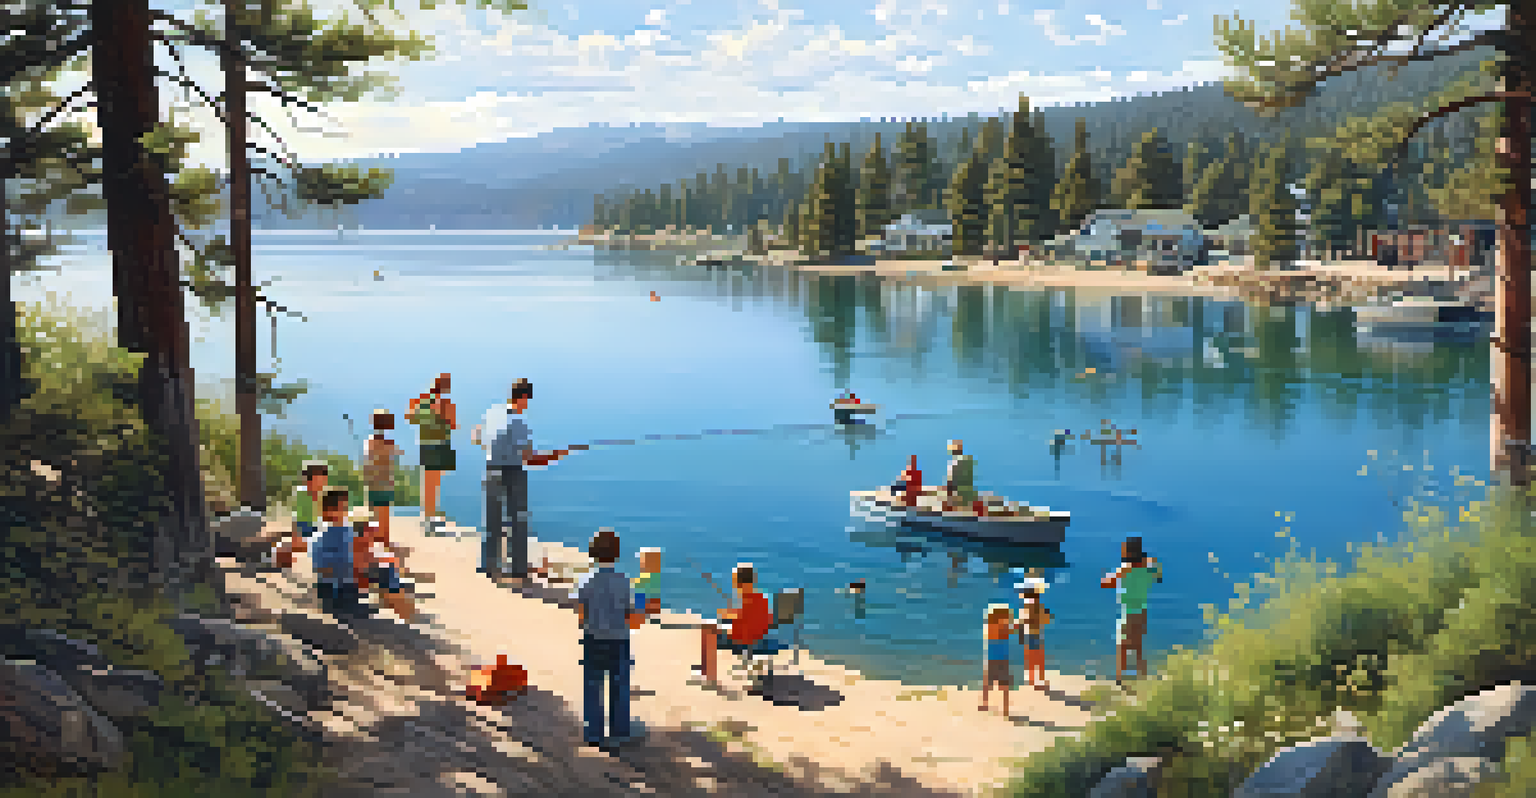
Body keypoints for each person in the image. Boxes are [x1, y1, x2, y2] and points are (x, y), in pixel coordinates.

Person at [471, 378, 574, 579]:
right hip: (512, 472)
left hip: (491, 469)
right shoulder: (520, 422)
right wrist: (555, 456)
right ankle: (518, 568)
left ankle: (488, 565)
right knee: (517, 519)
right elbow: (529, 459)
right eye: (527, 400)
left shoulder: (492, 413)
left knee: (492, 519)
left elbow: (476, 437)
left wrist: (494, 448)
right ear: (524, 397)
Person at [573, 527, 646, 748]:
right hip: (619, 640)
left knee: (592, 687)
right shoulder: (624, 581)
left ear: (593, 552)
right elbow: (633, 616)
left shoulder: (585, 580)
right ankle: (619, 731)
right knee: (619, 686)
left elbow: (580, 615)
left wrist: (588, 624)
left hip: (593, 638)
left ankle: (593, 733)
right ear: (617, 553)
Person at [696, 563, 774, 688]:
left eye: (734, 581)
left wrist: (725, 619)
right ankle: (705, 670)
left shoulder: (746, 600)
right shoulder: (761, 597)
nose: (734, 585)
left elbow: (739, 627)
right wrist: (732, 613)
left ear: (739, 583)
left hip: (743, 640)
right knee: (720, 623)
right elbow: (750, 617)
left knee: (708, 628)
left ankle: (708, 675)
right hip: (759, 636)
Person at [1101, 536, 1162, 684]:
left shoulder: (1126, 569)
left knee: (1122, 646)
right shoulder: (1147, 570)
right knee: (1138, 647)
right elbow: (1158, 577)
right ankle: (1142, 678)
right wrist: (1153, 562)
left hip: (1128, 612)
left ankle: (1120, 679)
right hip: (1142, 612)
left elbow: (1105, 583)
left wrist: (1121, 571)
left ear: (1128, 552)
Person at [408, 373, 458, 533]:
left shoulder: (422, 401)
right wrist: (439, 414)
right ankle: (430, 518)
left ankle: (429, 516)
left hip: (429, 444)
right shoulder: (442, 403)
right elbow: (453, 424)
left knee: (430, 483)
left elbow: (411, 417)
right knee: (433, 483)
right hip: (437, 444)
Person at [350, 508, 415, 623]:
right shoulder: (359, 543)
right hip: (361, 580)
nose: (372, 533)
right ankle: (404, 611)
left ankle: (400, 604)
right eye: (369, 530)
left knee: (392, 572)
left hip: (365, 576)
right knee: (391, 576)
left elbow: (370, 559)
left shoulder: (359, 542)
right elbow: (363, 564)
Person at [312, 487, 363, 618]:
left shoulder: (349, 530)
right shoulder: (322, 533)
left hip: (347, 584)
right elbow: (320, 565)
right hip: (331, 588)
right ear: (328, 511)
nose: (344, 513)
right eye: (341, 508)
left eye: (346, 508)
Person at [364, 409, 403, 546]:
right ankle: (384, 540)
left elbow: (367, 462)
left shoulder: (369, 441)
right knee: (384, 512)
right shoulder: (389, 443)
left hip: (372, 482)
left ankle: (375, 540)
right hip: (385, 482)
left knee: (374, 512)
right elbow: (396, 455)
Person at [1017, 579, 1053, 691]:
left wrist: (1021, 634)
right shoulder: (1034, 606)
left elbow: (1023, 621)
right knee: (1037, 657)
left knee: (1034, 657)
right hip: (1033, 634)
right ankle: (1037, 680)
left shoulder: (1029, 606)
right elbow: (1043, 620)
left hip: (1031, 633)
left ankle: (1034, 679)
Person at [979, 604, 1014, 716]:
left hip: (997, 659)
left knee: (1000, 684)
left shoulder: (1000, 627)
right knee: (991, 683)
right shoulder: (995, 627)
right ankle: (993, 705)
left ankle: (1003, 707)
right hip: (997, 658)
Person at [943, 440, 979, 513]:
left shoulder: (953, 464)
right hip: (967, 494)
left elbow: (950, 483)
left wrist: (949, 497)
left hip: (959, 496)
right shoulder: (968, 460)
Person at [633, 548, 663, 619]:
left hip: (644, 613)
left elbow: (639, 603)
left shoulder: (645, 578)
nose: (641, 562)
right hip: (650, 612)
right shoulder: (655, 577)